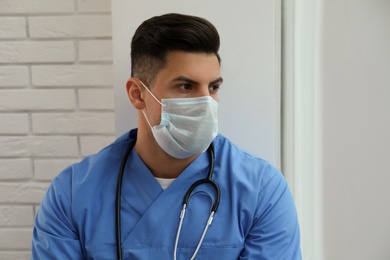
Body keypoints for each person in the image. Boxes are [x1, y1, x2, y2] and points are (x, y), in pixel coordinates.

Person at [31, 13, 301, 259]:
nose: (206, 102)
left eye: (214, 87)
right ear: (137, 94)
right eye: (186, 86)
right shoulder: (73, 193)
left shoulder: (261, 191)